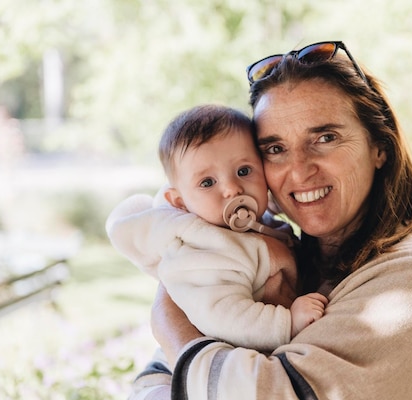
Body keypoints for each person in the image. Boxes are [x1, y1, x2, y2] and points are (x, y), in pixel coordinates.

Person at [123, 41, 412, 400]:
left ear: (379, 147)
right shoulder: (285, 261)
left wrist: (170, 325)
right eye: (275, 149)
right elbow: (143, 395)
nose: (299, 171)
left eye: (325, 138)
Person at [106, 104, 328, 353]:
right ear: (180, 202)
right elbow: (221, 314)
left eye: (244, 171)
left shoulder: (258, 225)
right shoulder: (202, 250)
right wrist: (287, 322)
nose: (232, 189)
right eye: (207, 182)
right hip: (238, 364)